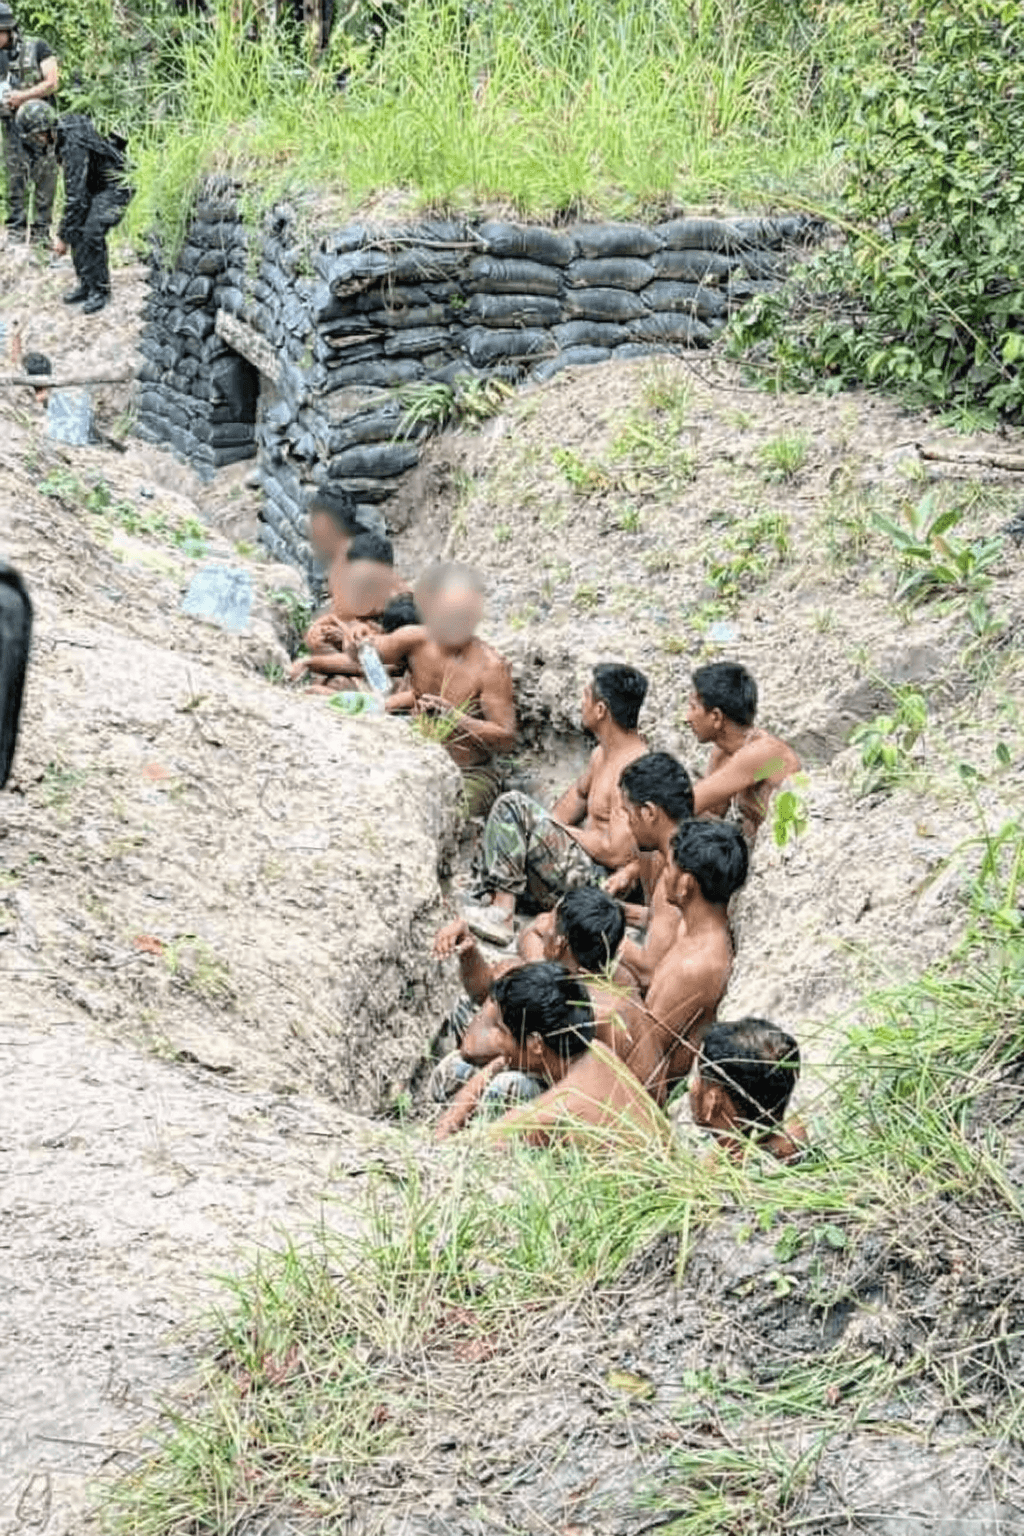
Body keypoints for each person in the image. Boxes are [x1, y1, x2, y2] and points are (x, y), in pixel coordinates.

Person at [468, 664, 649, 943]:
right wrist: (539, 832)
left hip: (602, 882)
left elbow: (616, 853)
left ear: (601, 710)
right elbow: (575, 799)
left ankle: (502, 914)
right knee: (503, 835)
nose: (581, 703)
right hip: (577, 864)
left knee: (513, 806)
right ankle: (500, 897)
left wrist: (544, 826)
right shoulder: (601, 754)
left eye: (586, 696)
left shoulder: (634, 768)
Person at [431, 886, 645, 1112]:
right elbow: (485, 990)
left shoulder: (596, 1011)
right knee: (468, 1010)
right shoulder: (603, 983)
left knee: (480, 1079)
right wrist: (469, 950)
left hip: (584, 1108)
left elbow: (472, 1047)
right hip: (564, 1079)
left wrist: (492, 1066)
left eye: (549, 923)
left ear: (560, 943)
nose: (541, 926)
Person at [435, 961, 666, 1149]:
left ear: (536, 1043)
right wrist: (454, 1117)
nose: (496, 1041)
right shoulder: (595, 1051)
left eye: (501, 1031)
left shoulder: (557, 1111)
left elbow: (463, 1151)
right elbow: (500, 1062)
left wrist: (443, 1132)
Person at [362, 562, 516, 817]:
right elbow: (367, 654)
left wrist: (456, 718)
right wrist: (355, 640)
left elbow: (506, 737)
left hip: (469, 772)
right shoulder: (415, 639)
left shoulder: (491, 668)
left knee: (443, 817)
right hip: (420, 756)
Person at [626, 820, 749, 1104]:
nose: (664, 874)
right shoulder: (692, 927)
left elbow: (646, 1055)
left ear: (686, 884)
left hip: (643, 1094)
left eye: (669, 867)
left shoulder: (697, 967)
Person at [16, 102, 130, 315]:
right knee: (77, 228)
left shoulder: (72, 143)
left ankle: (100, 290)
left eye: (36, 136)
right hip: (95, 186)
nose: (38, 141)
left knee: (92, 231)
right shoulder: (63, 132)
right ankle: (86, 284)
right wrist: (68, 232)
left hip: (117, 185)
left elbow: (75, 197)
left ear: (43, 130)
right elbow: (78, 195)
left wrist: (61, 236)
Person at [608, 752, 695, 991]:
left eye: (628, 813)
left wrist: (593, 930)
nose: (628, 824)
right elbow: (663, 922)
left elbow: (648, 970)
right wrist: (616, 910)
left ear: (649, 813)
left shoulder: (677, 874)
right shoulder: (684, 851)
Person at [688, 662, 801, 843]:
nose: (687, 718)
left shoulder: (762, 752)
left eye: (693, 708)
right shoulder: (722, 753)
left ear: (716, 717)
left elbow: (687, 804)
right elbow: (708, 812)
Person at [690, 1018, 807, 1164]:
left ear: (713, 1101)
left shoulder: (718, 1174)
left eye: (700, 1078)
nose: (693, 1086)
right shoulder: (796, 1140)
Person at [0, 5, 58, 242]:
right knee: (14, 177)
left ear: (7, 29)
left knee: (45, 178)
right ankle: (15, 230)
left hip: (41, 127)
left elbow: (53, 82)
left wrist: (22, 97)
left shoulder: (37, 47)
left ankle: (41, 233)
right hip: (12, 125)